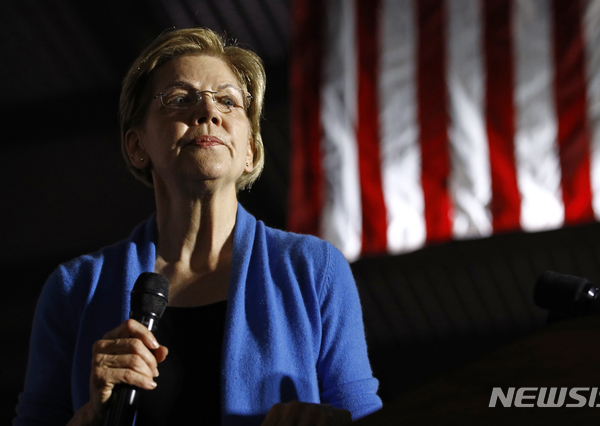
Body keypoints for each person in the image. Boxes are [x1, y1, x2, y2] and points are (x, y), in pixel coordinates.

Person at [13, 27, 382, 426]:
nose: (209, 113)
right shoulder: (75, 289)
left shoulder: (314, 269)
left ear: (250, 151)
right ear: (137, 146)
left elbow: (365, 416)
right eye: (179, 99)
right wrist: (90, 416)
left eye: (227, 101)